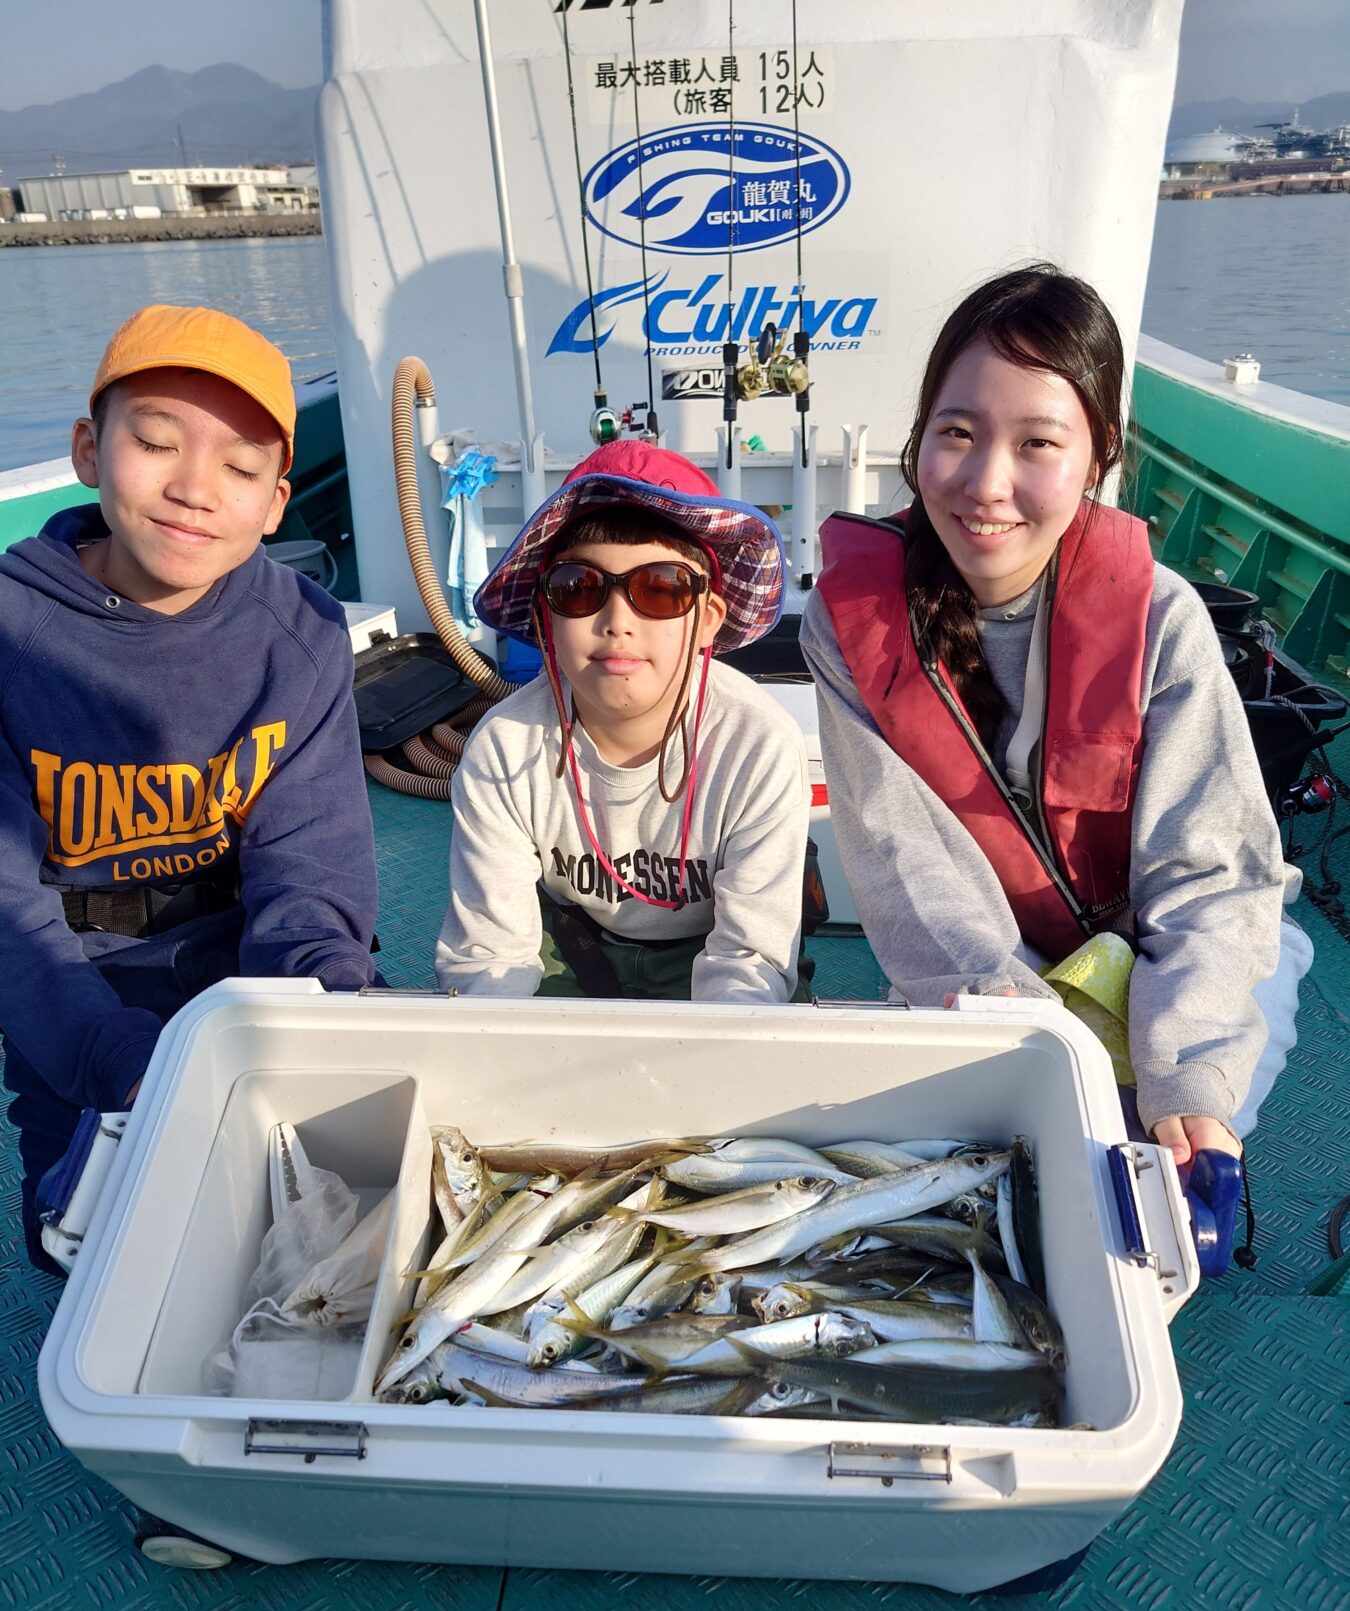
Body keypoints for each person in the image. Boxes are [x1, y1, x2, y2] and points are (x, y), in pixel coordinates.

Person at [801, 264, 1311, 1174]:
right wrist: (1021, 1029)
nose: (986, 485)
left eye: (1037, 443)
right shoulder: (849, 624)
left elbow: (1210, 880)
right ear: (921, 436)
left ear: (1098, 455)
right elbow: (904, 861)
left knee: (1177, 1131)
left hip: (1177, 948)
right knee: (1022, 1143)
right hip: (989, 957)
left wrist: (1187, 1081)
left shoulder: (1161, 619)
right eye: (957, 433)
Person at [0, 304, 380, 1271]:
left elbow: (310, 866)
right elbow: (10, 914)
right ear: (89, 450)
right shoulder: (11, 635)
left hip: (245, 957)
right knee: (89, 1253)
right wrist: (127, 1066)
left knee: (364, 1216)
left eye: (241, 468)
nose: (194, 488)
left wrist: (312, 1014)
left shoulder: (302, 635)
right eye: (156, 442)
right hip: (78, 987)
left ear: (278, 502)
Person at [435, 439, 810, 1003]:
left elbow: (749, 957)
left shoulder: (758, 744)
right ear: (546, 617)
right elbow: (491, 957)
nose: (617, 621)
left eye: (661, 589)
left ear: (708, 619)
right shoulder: (503, 748)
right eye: (578, 588)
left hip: (715, 942)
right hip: (571, 938)